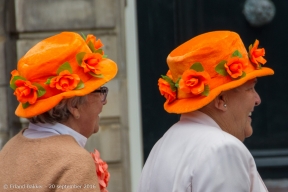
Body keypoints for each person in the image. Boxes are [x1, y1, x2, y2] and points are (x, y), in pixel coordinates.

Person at [138, 31, 274, 192]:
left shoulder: (162, 145)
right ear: (221, 99)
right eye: (250, 88)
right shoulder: (222, 149)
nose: (257, 99)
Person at [0, 32, 117, 191]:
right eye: (99, 91)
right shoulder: (74, 163)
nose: (105, 101)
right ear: (73, 106)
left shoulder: (10, 149)